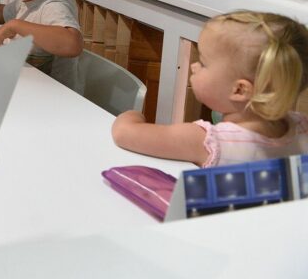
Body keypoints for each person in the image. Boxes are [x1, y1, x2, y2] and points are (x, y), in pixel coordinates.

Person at [113, 11, 308, 167]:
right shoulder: (302, 127)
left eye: (204, 63)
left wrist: (132, 115)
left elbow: (123, 133)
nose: (193, 66)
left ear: (239, 90)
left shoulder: (209, 142)